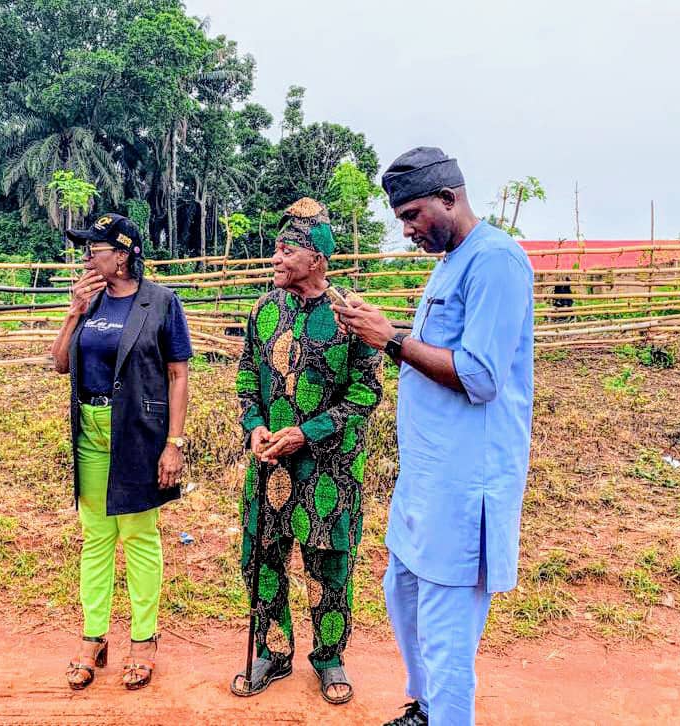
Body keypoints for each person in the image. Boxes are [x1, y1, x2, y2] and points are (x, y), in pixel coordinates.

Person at [332, 148, 534, 725]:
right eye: (401, 218)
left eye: (415, 214)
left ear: (451, 198)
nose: (408, 228)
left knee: (447, 634)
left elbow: (481, 375)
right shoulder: (450, 262)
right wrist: (385, 331)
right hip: (426, 481)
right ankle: (425, 708)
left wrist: (390, 339)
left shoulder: (495, 262)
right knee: (405, 598)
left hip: (464, 488)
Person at [230, 198, 382, 705]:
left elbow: (366, 392)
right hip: (270, 463)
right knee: (263, 559)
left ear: (317, 258)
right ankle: (273, 653)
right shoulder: (262, 310)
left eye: (286, 249)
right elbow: (248, 378)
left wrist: (307, 432)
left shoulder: (350, 314)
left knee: (328, 564)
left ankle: (330, 658)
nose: (275, 258)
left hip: (329, 469)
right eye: (276, 249)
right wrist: (254, 427)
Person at [50, 212, 192, 691]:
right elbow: (59, 363)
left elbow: (178, 375)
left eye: (96, 247)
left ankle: (143, 641)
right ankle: (93, 638)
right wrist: (73, 310)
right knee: (95, 538)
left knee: (139, 537)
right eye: (87, 247)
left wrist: (173, 444)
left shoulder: (161, 303)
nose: (88, 255)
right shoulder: (89, 303)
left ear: (125, 254)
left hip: (137, 432)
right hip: (90, 431)